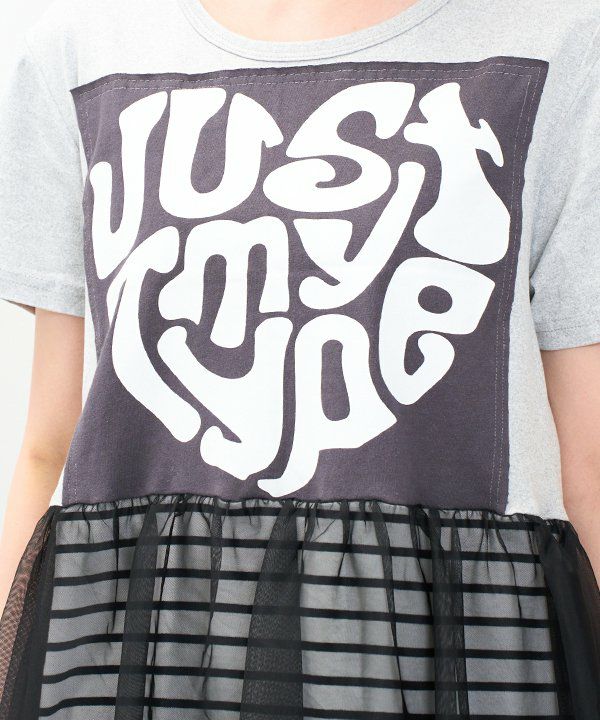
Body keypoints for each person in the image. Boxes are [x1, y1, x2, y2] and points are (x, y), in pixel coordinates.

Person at [0, 0, 599, 717]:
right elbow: (49, 445)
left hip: (460, 657)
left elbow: (588, 462)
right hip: (141, 660)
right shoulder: (81, 58)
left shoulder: (557, 50)